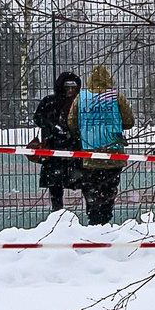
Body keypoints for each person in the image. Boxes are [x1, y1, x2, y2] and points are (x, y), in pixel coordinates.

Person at [74, 66, 133, 226]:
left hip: (89, 152)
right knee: (108, 189)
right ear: (109, 80)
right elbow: (129, 121)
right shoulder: (116, 98)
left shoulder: (81, 98)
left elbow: (72, 123)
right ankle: (105, 219)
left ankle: (93, 218)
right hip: (113, 153)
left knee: (91, 189)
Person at [32, 71, 82, 213]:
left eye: (73, 87)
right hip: (54, 148)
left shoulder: (80, 103)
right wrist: (53, 127)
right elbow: (38, 118)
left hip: (75, 147)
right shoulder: (50, 101)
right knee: (55, 185)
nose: (70, 91)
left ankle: (90, 214)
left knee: (83, 182)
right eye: (67, 87)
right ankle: (57, 213)